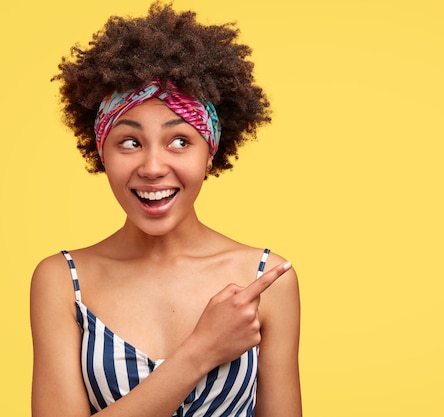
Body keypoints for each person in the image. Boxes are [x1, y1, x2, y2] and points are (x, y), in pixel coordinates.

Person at [29, 3, 302, 416]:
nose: (154, 168)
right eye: (130, 142)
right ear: (101, 152)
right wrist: (201, 351)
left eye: (179, 141)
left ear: (209, 153)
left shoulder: (266, 280)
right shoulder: (62, 282)